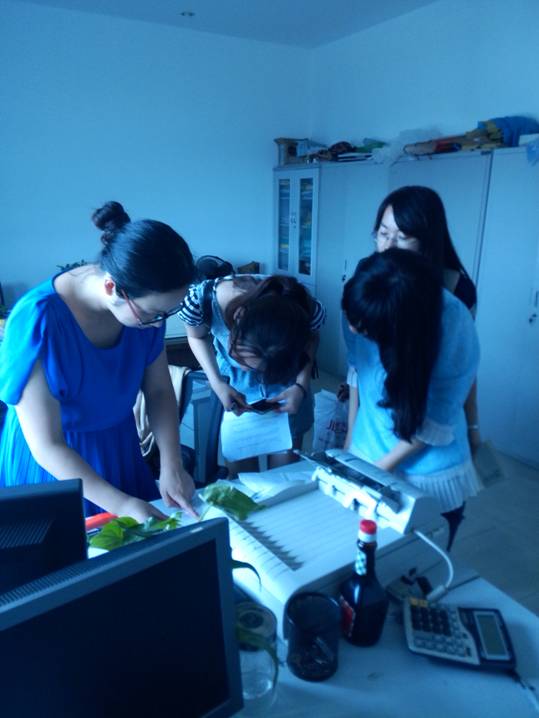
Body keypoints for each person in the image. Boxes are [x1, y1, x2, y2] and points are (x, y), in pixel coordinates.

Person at [0, 201, 197, 520]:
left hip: (118, 450)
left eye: (166, 313)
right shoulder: (38, 321)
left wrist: (171, 463)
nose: (158, 325)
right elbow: (47, 445)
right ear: (112, 287)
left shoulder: (144, 315)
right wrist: (122, 504)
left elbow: (159, 391)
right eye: (152, 313)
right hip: (56, 466)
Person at [342, 249, 481, 550]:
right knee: (361, 551)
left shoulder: (453, 325)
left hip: (430, 470)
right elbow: (358, 373)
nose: (353, 329)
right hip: (369, 450)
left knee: (419, 561)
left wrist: (379, 470)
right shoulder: (363, 300)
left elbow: (436, 419)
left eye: (365, 328)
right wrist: (350, 444)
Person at [344, 185, 481, 456]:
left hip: (426, 425)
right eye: (383, 234)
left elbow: (461, 367)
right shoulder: (368, 278)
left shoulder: (456, 294)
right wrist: (351, 431)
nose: (388, 246)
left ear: (426, 241)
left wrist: (473, 427)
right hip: (376, 425)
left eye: (402, 237)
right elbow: (358, 363)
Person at [179, 273, 325, 474]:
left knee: (285, 476)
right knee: (243, 474)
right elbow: (196, 337)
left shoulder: (308, 308)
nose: (249, 369)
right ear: (237, 317)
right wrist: (217, 383)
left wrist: (300, 385)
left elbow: (311, 339)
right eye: (242, 359)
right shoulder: (198, 301)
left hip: (287, 385)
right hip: (234, 386)